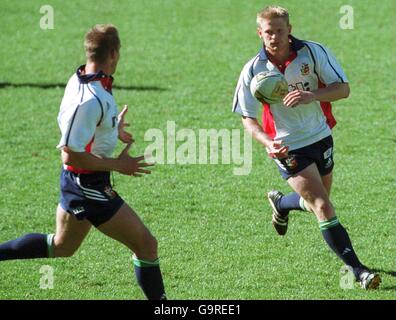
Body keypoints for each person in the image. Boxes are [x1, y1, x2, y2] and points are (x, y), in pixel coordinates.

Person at [0, 24, 167, 300]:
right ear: (113, 53)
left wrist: (112, 129)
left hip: (79, 182)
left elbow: (85, 130)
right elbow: (70, 153)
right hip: (86, 184)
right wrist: (118, 165)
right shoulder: (89, 99)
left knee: (62, 247)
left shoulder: (85, 78)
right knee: (147, 245)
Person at [232, 6, 380, 289]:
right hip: (287, 147)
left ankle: (281, 203)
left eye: (279, 30)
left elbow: (343, 88)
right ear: (259, 34)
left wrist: (312, 95)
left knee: (318, 202)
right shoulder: (253, 69)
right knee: (323, 206)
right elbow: (247, 118)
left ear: (289, 29)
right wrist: (267, 142)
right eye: (268, 32)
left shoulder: (312, 53)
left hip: (320, 135)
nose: (274, 37)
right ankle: (359, 271)